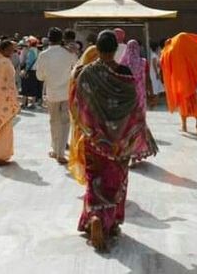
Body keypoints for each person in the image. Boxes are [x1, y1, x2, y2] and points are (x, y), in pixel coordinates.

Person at [69, 30, 157, 252]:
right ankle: (112, 221)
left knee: (94, 179)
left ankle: (94, 217)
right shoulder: (125, 73)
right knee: (115, 182)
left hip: (95, 139)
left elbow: (78, 104)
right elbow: (134, 105)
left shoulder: (86, 73)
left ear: (96, 49)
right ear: (115, 50)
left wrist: (91, 129)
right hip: (119, 142)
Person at [36, 27, 77, 164]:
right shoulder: (68, 53)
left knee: (54, 121)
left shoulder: (43, 55)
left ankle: (54, 149)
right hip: (66, 92)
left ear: (49, 38)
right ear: (61, 39)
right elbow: (76, 67)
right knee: (65, 122)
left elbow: (40, 76)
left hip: (52, 92)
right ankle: (61, 153)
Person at [160, 32, 197, 136]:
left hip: (183, 84)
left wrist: (165, 46)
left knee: (183, 105)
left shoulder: (174, 50)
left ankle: (184, 125)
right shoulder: (195, 50)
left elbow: (163, 60)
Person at [68, 44, 99, 184]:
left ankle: (89, 179)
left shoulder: (77, 71)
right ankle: (89, 179)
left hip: (81, 117)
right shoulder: (91, 72)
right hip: (89, 118)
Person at [19, 36, 42, 108]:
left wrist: (25, 70)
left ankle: (23, 103)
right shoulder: (38, 51)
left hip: (29, 70)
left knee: (25, 86)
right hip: (36, 71)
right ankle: (33, 103)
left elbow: (29, 62)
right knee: (34, 86)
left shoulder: (31, 51)